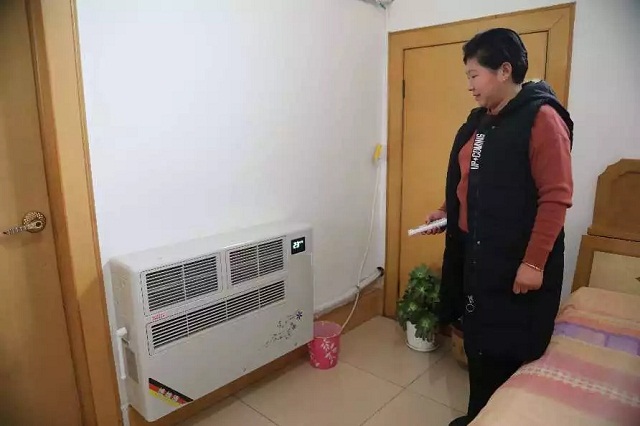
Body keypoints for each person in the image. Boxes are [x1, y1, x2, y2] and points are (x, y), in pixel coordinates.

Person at [422, 28, 573, 426]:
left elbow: (556, 197)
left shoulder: (541, 118)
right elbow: (470, 182)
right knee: (479, 346)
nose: (469, 85)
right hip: (477, 258)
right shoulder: (481, 121)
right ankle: (478, 417)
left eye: (475, 75)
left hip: (514, 263)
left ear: (504, 70)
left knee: (506, 351)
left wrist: (534, 263)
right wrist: (446, 212)